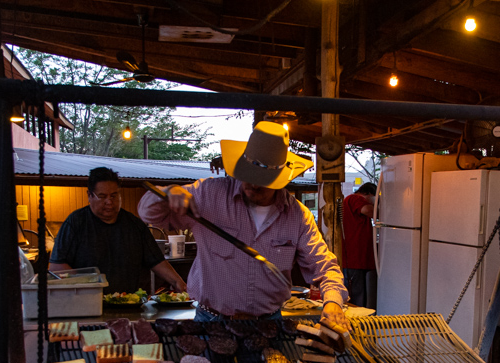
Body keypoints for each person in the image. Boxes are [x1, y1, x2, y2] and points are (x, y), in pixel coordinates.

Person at [138, 121, 350, 331]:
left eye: (262, 180)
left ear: (280, 179)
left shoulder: (297, 216)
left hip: (268, 324)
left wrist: (332, 303)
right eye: (249, 175)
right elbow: (149, 214)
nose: (253, 185)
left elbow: (325, 268)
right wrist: (167, 194)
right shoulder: (209, 195)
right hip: (212, 321)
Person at [50, 167, 186, 294]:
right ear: (89, 195)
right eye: (102, 196)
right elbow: (56, 266)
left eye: (114, 196)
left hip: (130, 302)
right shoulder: (75, 223)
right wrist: (91, 284)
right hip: (87, 302)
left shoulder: (134, 225)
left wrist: (178, 282)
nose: (109, 202)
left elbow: (156, 260)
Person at [341, 182, 377, 309]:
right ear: (366, 194)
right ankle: (356, 325)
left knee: (359, 297)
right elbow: (368, 210)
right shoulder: (354, 198)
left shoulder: (350, 201)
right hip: (355, 258)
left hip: (357, 259)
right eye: (374, 197)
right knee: (357, 299)